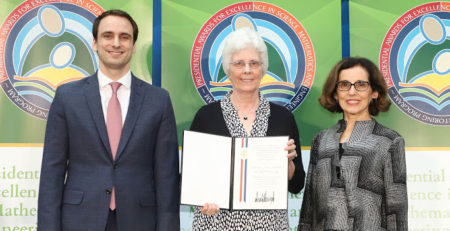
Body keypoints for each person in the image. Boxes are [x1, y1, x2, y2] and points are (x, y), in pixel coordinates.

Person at [37, 10, 179, 231]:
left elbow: (167, 178)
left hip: (139, 221)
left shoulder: (158, 101)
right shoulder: (67, 97)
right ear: (95, 43)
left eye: (124, 37)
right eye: (107, 35)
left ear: (133, 46)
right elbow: (51, 173)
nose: (116, 43)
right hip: (80, 221)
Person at [189, 27, 305, 230]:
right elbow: (189, 178)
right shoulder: (206, 117)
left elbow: (297, 185)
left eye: (254, 63)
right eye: (239, 63)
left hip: (270, 225)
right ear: (228, 69)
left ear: (263, 68)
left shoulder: (282, 118)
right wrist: (202, 198)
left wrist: (288, 166)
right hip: (217, 223)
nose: (247, 70)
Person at [298, 57, 408, 230]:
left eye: (361, 84)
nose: (352, 92)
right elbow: (308, 208)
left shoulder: (389, 141)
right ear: (335, 93)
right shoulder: (321, 140)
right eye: (344, 84)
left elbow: (397, 210)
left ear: (375, 92)